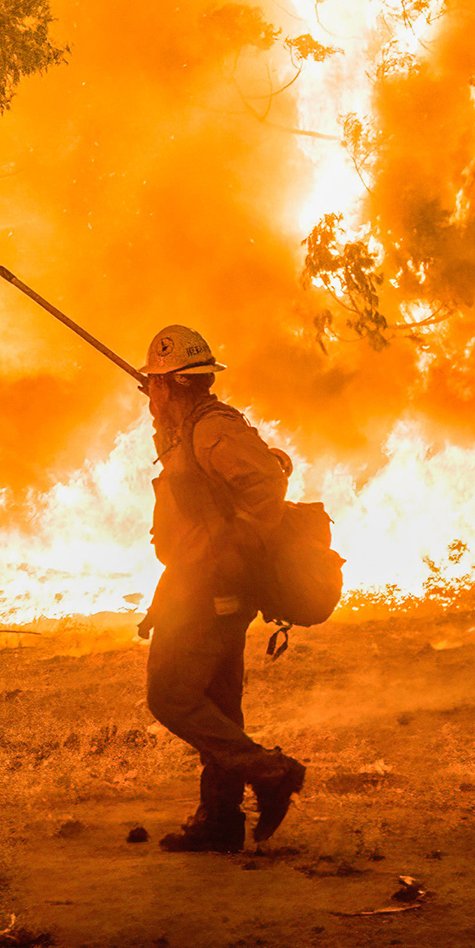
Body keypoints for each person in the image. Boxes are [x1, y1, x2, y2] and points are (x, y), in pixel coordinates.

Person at [137, 323, 307, 852]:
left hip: (214, 586)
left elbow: (266, 484)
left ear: (171, 385)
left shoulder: (213, 429)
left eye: (155, 385)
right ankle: (220, 818)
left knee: (170, 695)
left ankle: (271, 771)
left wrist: (232, 552)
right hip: (196, 581)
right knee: (218, 702)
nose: (150, 394)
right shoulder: (186, 430)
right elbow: (192, 521)